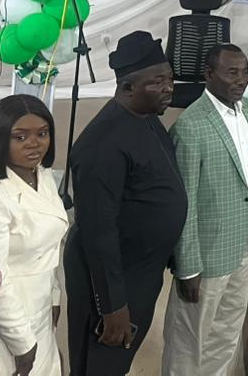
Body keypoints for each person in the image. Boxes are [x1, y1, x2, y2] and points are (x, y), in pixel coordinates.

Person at [63, 30, 187, 376]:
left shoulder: (147, 118)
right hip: (111, 280)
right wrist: (112, 306)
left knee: (118, 363)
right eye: (157, 82)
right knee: (99, 365)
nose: (169, 88)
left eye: (170, 79)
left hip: (142, 270)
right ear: (128, 88)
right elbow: (98, 232)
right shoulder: (102, 145)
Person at [162, 43, 248, 375]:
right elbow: (184, 203)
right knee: (189, 340)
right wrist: (188, 267)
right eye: (232, 72)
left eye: (244, 72)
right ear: (209, 74)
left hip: (243, 243)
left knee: (226, 333)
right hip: (206, 254)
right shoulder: (191, 125)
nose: (241, 80)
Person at [0, 95, 68, 376]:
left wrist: (54, 296)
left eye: (42, 134)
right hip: (9, 319)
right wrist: (21, 342)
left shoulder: (41, 175)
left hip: (41, 303)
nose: (34, 144)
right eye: (20, 137)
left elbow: (49, 247)